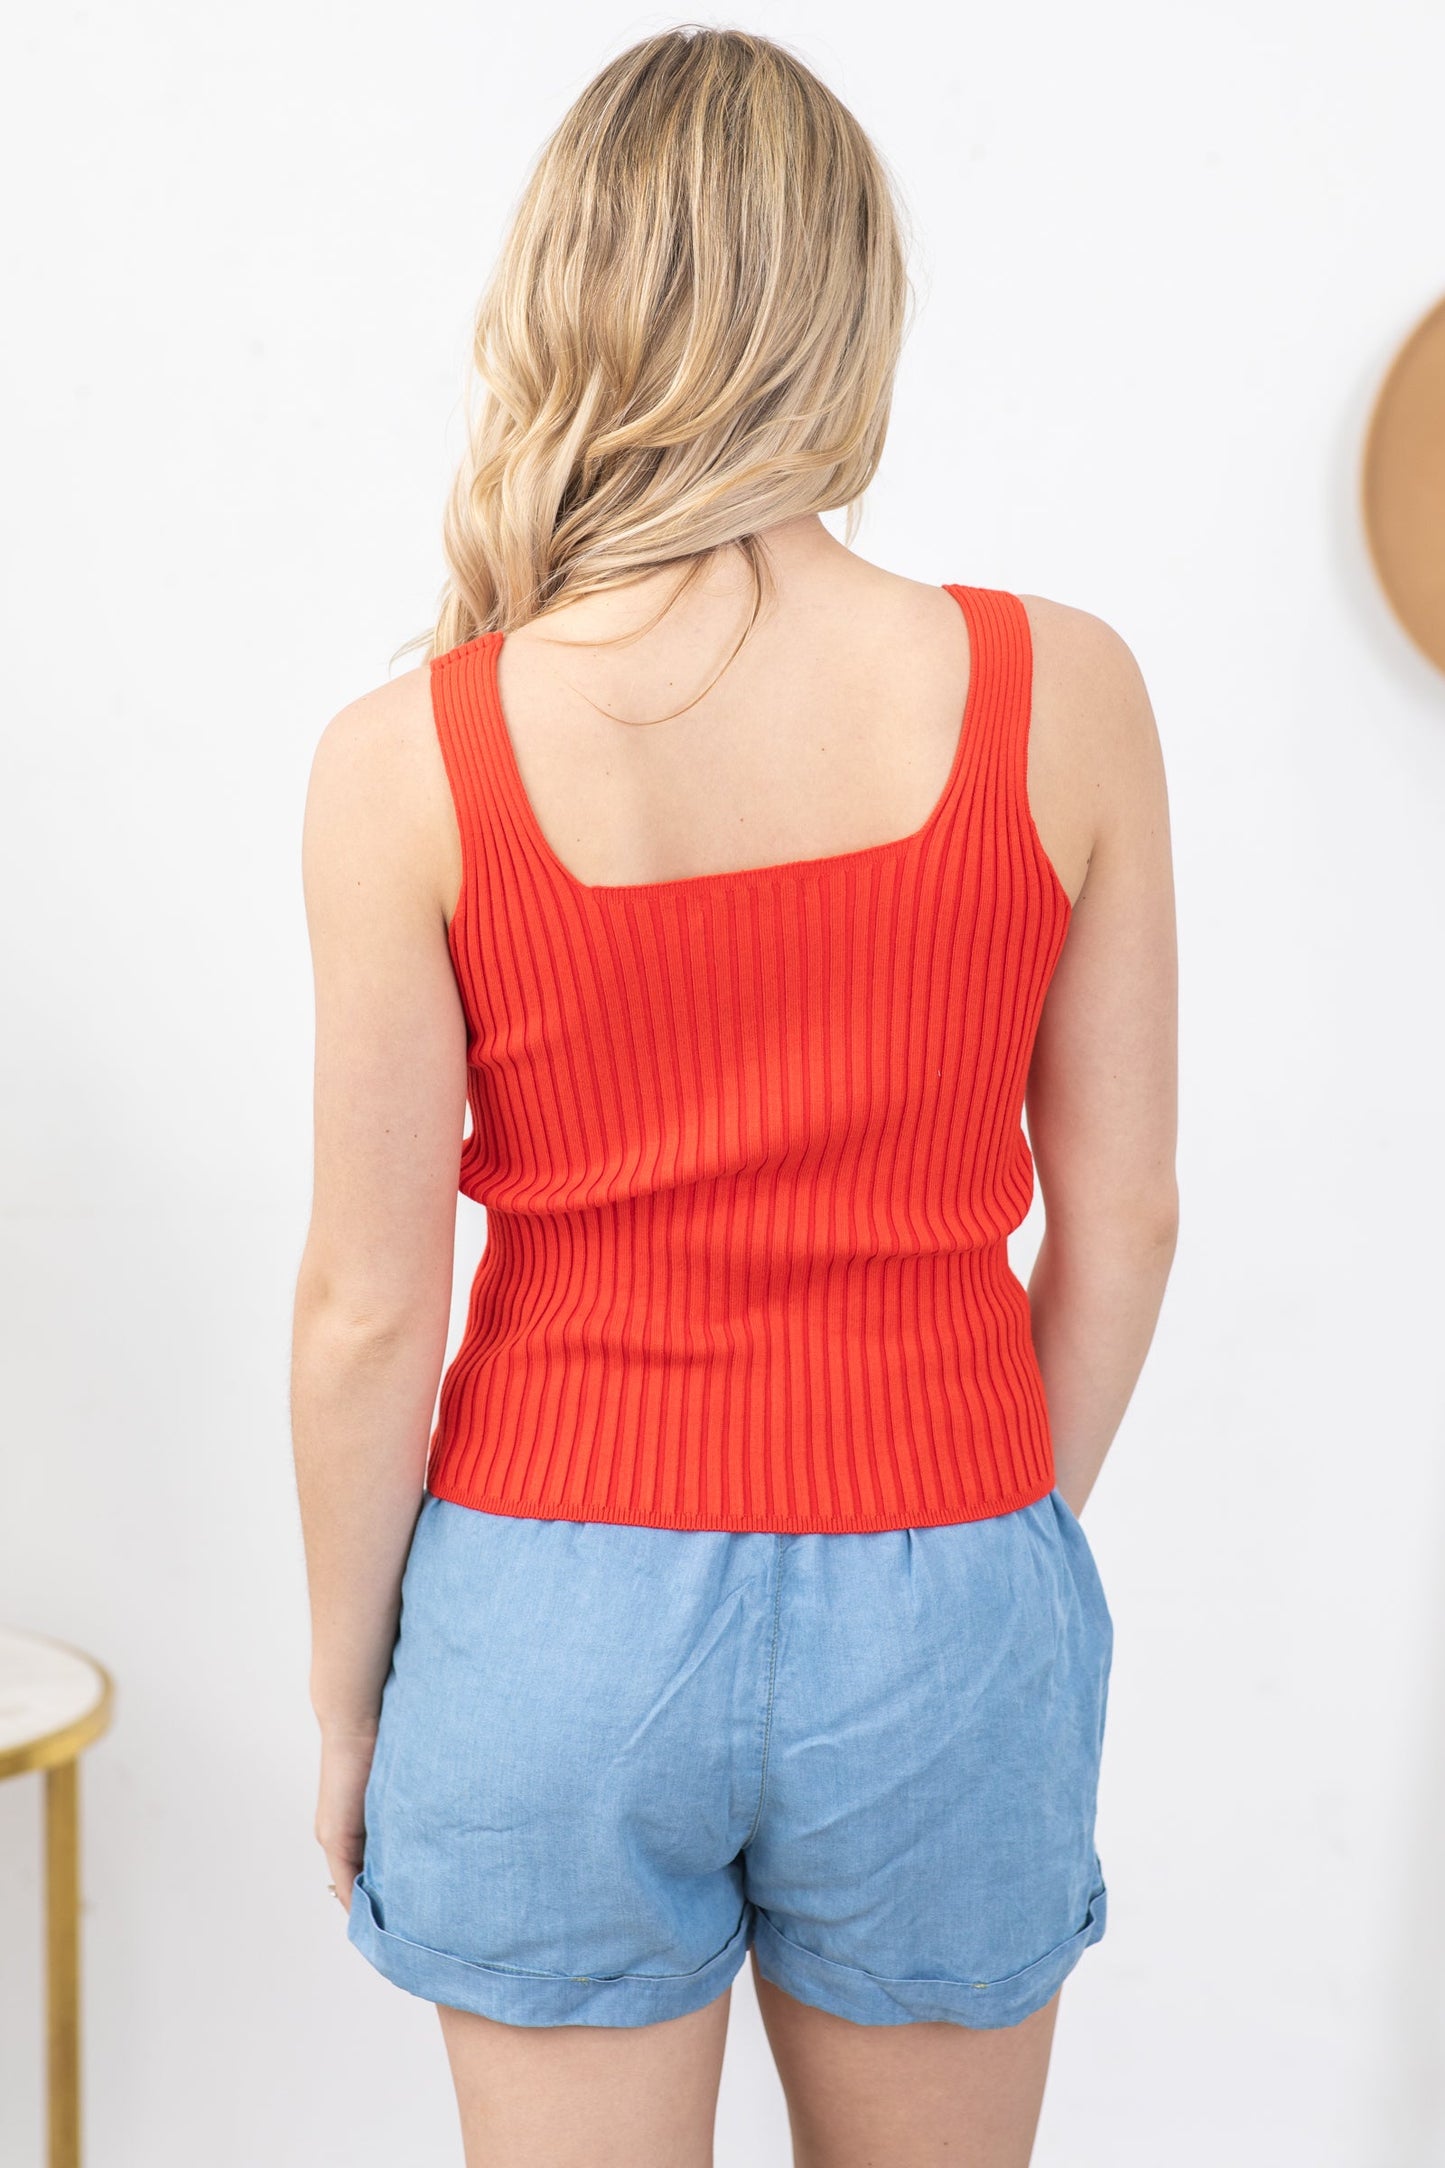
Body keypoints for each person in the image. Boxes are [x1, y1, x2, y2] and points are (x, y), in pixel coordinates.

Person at [290, 24, 1178, 2168]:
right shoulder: (1067, 692)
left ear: (560, 299)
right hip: (949, 1575)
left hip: (547, 1609)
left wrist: (348, 1695)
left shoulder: (409, 755)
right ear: (851, 308)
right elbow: (1127, 1219)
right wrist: (971, 1536)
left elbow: (365, 1313)